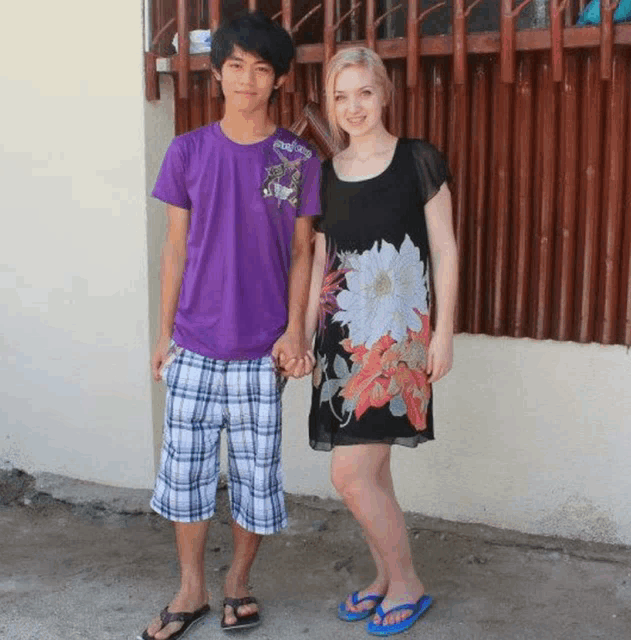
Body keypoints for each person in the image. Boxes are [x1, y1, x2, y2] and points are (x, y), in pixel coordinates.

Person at [138, 11, 319, 640]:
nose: (247, 80)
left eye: (261, 69)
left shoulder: (294, 157)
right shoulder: (188, 150)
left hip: (261, 350)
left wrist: (296, 331)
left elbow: (303, 253)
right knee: (185, 477)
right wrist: (163, 335)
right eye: (235, 66)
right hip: (192, 343)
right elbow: (175, 249)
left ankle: (239, 583)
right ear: (218, 74)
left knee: (255, 481)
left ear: (278, 81)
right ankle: (191, 589)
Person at [305, 47, 458, 636]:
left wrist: (443, 335)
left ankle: (408, 581)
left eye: (363, 92)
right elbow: (322, 259)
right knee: (374, 472)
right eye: (340, 96)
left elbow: (444, 248)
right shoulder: (325, 173)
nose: (353, 107)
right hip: (340, 344)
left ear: (384, 93)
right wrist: (307, 337)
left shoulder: (417, 160)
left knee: (349, 475)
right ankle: (386, 577)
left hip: (396, 341)